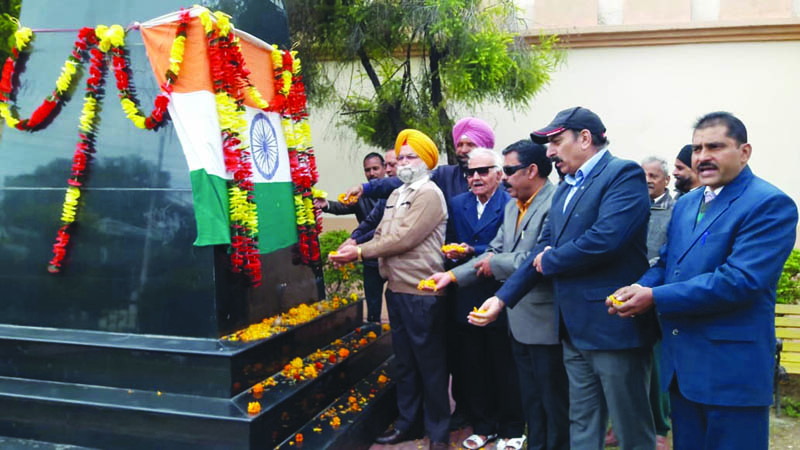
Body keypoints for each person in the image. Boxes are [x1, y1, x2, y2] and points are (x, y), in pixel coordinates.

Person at [608, 112, 798, 450]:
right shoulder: (689, 203)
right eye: (697, 148)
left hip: (731, 373)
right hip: (683, 370)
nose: (702, 157)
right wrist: (639, 287)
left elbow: (739, 281)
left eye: (715, 146)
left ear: (745, 152)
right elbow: (667, 262)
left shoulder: (769, 204)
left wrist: (655, 296)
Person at [471, 107, 658, 450]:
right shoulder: (565, 187)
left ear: (585, 138)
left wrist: (552, 259)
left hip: (612, 324)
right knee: (582, 425)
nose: (550, 152)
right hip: (572, 329)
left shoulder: (623, 173)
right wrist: (501, 299)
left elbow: (606, 239)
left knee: (631, 428)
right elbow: (540, 250)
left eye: (556, 141)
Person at [429, 139, 569, 450]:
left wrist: (495, 263)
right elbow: (495, 249)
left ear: (532, 171)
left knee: (553, 403)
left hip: (546, 320)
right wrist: (452, 275)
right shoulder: (512, 205)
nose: (503, 178)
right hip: (517, 319)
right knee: (533, 400)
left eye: (508, 170)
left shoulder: (555, 203)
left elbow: (535, 258)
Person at [330, 129, 451, 450]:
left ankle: (438, 433)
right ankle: (408, 425)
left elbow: (403, 239)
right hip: (396, 290)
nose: (403, 163)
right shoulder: (397, 194)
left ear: (427, 161)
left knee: (431, 366)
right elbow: (382, 231)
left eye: (411, 157)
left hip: (422, 293)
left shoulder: (429, 194)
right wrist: (353, 242)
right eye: (400, 158)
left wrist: (357, 253)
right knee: (405, 364)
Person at [429, 148, 519, 449]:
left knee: (503, 365)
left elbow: (508, 250)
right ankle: (483, 426)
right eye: (470, 172)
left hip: (500, 294)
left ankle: (511, 428)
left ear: (498, 173)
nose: (476, 177)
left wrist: (473, 252)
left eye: (483, 171)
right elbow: (449, 242)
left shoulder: (511, 203)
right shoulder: (457, 203)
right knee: (473, 366)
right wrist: (453, 252)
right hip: (465, 292)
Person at [316, 152, 387, 322]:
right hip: (369, 257)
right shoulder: (361, 195)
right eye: (367, 170)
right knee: (373, 304)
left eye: (375, 168)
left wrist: (355, 241)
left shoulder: (395, 191)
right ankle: (374, 332)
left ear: (384, 168)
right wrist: (325, 205)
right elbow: (342, 207)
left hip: (393, 255)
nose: (371, 173)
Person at [641, 156, 676, 264]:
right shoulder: (629, 206)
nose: (647, 180)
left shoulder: (675, 211)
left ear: (667, 180)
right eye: (643, 175)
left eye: (653, 176)